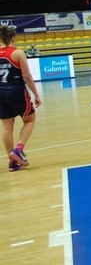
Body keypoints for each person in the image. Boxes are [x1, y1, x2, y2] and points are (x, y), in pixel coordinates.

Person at [0, 26, 43, 171]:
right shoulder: (18, 53)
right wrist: (36, 95)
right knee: (30, 119)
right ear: (13, 38)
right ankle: (18, 150)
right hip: (15, 90)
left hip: (0, 92)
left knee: (6, 127)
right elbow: (27, 76)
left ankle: (12, 162)